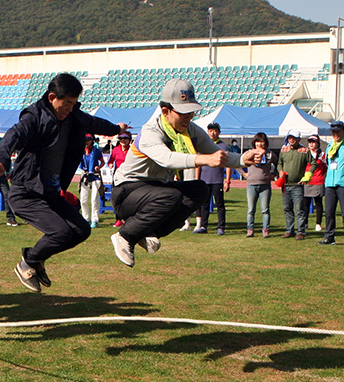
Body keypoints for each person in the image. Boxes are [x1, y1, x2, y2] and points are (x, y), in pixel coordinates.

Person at [0, 73, 125, 292]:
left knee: (81, 230)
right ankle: (28, 262)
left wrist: (117, 130)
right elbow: (14, 134)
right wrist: (1, 158)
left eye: (74, 103)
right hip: (26, 192)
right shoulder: (34, 117)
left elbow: (95, 123)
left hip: (51, 192)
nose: (70, 108)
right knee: (60, 232)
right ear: (52, 97)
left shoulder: (74, 117)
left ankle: (36, 260)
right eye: (67, 103)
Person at [110, 78, 258, 267]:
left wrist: (243, 159)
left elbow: (215, 152)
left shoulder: (191, 130)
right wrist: (204, 159)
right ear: (166, 111)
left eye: (192, 112)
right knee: (171, 196)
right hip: (127, 192)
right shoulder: (150, 132)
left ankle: (150, 231)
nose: (189, 117)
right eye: (183, 112)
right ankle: (124, 236)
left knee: (199, 190)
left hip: (156, 190)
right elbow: (168, 159)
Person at [195, 122, 231, 235]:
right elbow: (198, 163)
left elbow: (228, 164)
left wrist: (227, 180)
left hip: (217, 180)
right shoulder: (203, 146)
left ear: (219, 132)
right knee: (204, 204)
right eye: (210, 130)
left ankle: (220, 227)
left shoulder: (223, 146)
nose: (213, 133)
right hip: (205, 179)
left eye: (215, 130)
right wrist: (197, 179)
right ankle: (203, 226)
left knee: (220, 204)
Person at [276, 131, 312, 240]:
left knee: (299, 209)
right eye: (290, 138)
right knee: (287, 209)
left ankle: (301, 231)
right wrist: (280, 171)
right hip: (285, 184)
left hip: (297, 185)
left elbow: (313, 164)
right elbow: (279, 163)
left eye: (294, 138)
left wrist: (307, 176)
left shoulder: (305, 151)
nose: (292, 140)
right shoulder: (283, 150)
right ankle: (289, 230)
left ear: (299, 139)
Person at [243, 133, 276, 238]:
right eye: (257, 141)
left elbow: (278, 163)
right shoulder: (249, 153)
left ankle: (265, 230)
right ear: (254, 142)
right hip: (251, 184)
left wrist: (273, 174)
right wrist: (244, 174)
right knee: (251, 209)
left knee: (265, 209)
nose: (259, 144)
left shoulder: (269, 154)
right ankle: (250, 229)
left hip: (265, 185)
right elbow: (239, 162)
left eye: (262, 141)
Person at [77, 134, 105, 228]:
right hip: (85, 176)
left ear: (91, 140)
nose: (86, 142)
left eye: (88, 140)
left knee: (94, 199)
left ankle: (95, 220)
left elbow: (103, 162)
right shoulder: (81, 151)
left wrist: (98, 167)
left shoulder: (96, 150)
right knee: (83, 200)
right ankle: (86, 218)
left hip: (95, 176)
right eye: (85, 140)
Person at [303, 135, 326, 233]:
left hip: (318, 181)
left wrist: (321, 175)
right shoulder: (305, 153)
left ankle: (318, 223)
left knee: (319, 203)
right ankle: (305, 223)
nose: (311, 144)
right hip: (307, 181)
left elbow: (325, 167)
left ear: (317, 143)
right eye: (310, 142)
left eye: (313, 142)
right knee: (305, 204)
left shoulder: (322, 154)